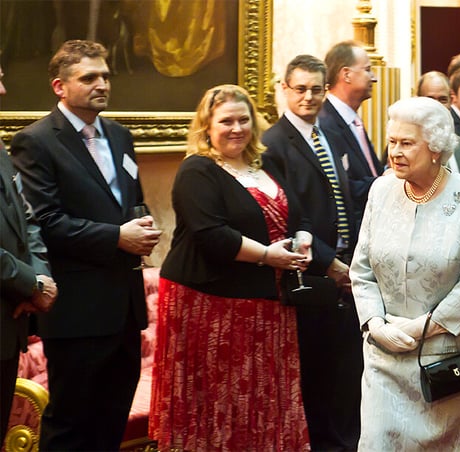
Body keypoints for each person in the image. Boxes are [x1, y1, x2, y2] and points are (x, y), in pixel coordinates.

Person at [10, 40, 162, 451]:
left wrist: (144, 225)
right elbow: (44, 222)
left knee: (110, 423)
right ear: (60, 86)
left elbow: (131, 202)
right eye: (89, 77)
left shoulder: (120, 136)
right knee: (71, 428)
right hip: (77, 311)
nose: (102, 84)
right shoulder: (36, 141)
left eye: (106, 76)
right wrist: (117, 237)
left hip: (126, 311)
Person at [149, 84, 312, 451]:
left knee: (263, 401)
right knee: (219, 405)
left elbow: (295, 213)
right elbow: (213, 236)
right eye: (226, 121)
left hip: (268, 303)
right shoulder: (197, 170)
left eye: (244, 119)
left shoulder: (266, 162)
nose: (236, 128)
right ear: (207, 127)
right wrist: (269, 256)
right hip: (209, 305)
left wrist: (303, 237)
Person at [350, 96, 460, 451]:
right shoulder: (380, 191)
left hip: (450, 360)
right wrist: (375, 326)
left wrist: (420, 328)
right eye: (392, 142)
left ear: (435, 147)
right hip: (385, 357)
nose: (395, 152)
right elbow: (362, 269)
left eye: (407, 143)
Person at [262, 54, 363, 451]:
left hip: (347, 271)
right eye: (299, 88)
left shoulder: (333, 136)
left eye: (316, 89)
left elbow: (348, 197)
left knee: (347, 374)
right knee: (317, 380)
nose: (308, 97)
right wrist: (331, 264)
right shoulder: (272, 144)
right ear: (284, 89)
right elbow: (290, 218)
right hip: (311, 275)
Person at [0, 65, 58, 445]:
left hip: (8, 324)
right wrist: (30, 282)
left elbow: (27, 218)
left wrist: (39, 280)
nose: (3, 90)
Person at [319, 40, 383, 225]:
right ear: (346, 74)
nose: (374, 77)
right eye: (368, 69)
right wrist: (384, 183)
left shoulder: (353, 121)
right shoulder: (325, 124)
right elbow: (340, 187)